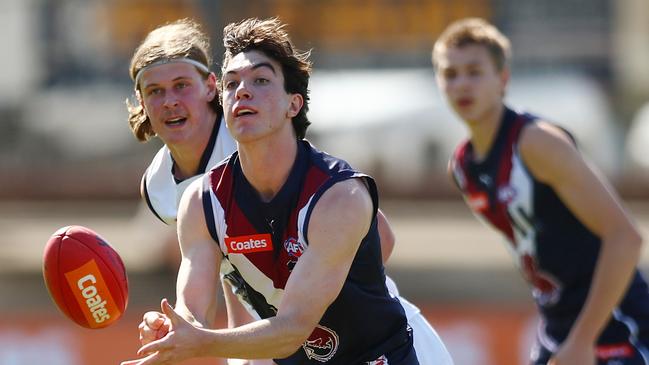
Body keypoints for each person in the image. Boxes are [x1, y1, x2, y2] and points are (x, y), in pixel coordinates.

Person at [122, 17, 446, 365]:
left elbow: (379, 237)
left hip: (379, 347)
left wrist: (311, 292)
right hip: (286, 344)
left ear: (207, 88)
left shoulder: (289, 156)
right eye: (155, 91)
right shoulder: (172, 190)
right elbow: (230, 276)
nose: (170, 101)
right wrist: (176, 331)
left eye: (181, 85)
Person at [433, 17, 649, 365]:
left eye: (474, 71)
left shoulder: (537, 143)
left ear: (503, 79)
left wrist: (583, 340)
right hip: (558, 326)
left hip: (617, 325)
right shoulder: (463, 169)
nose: (462, 84)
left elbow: (626, 238)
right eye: (450, 74)